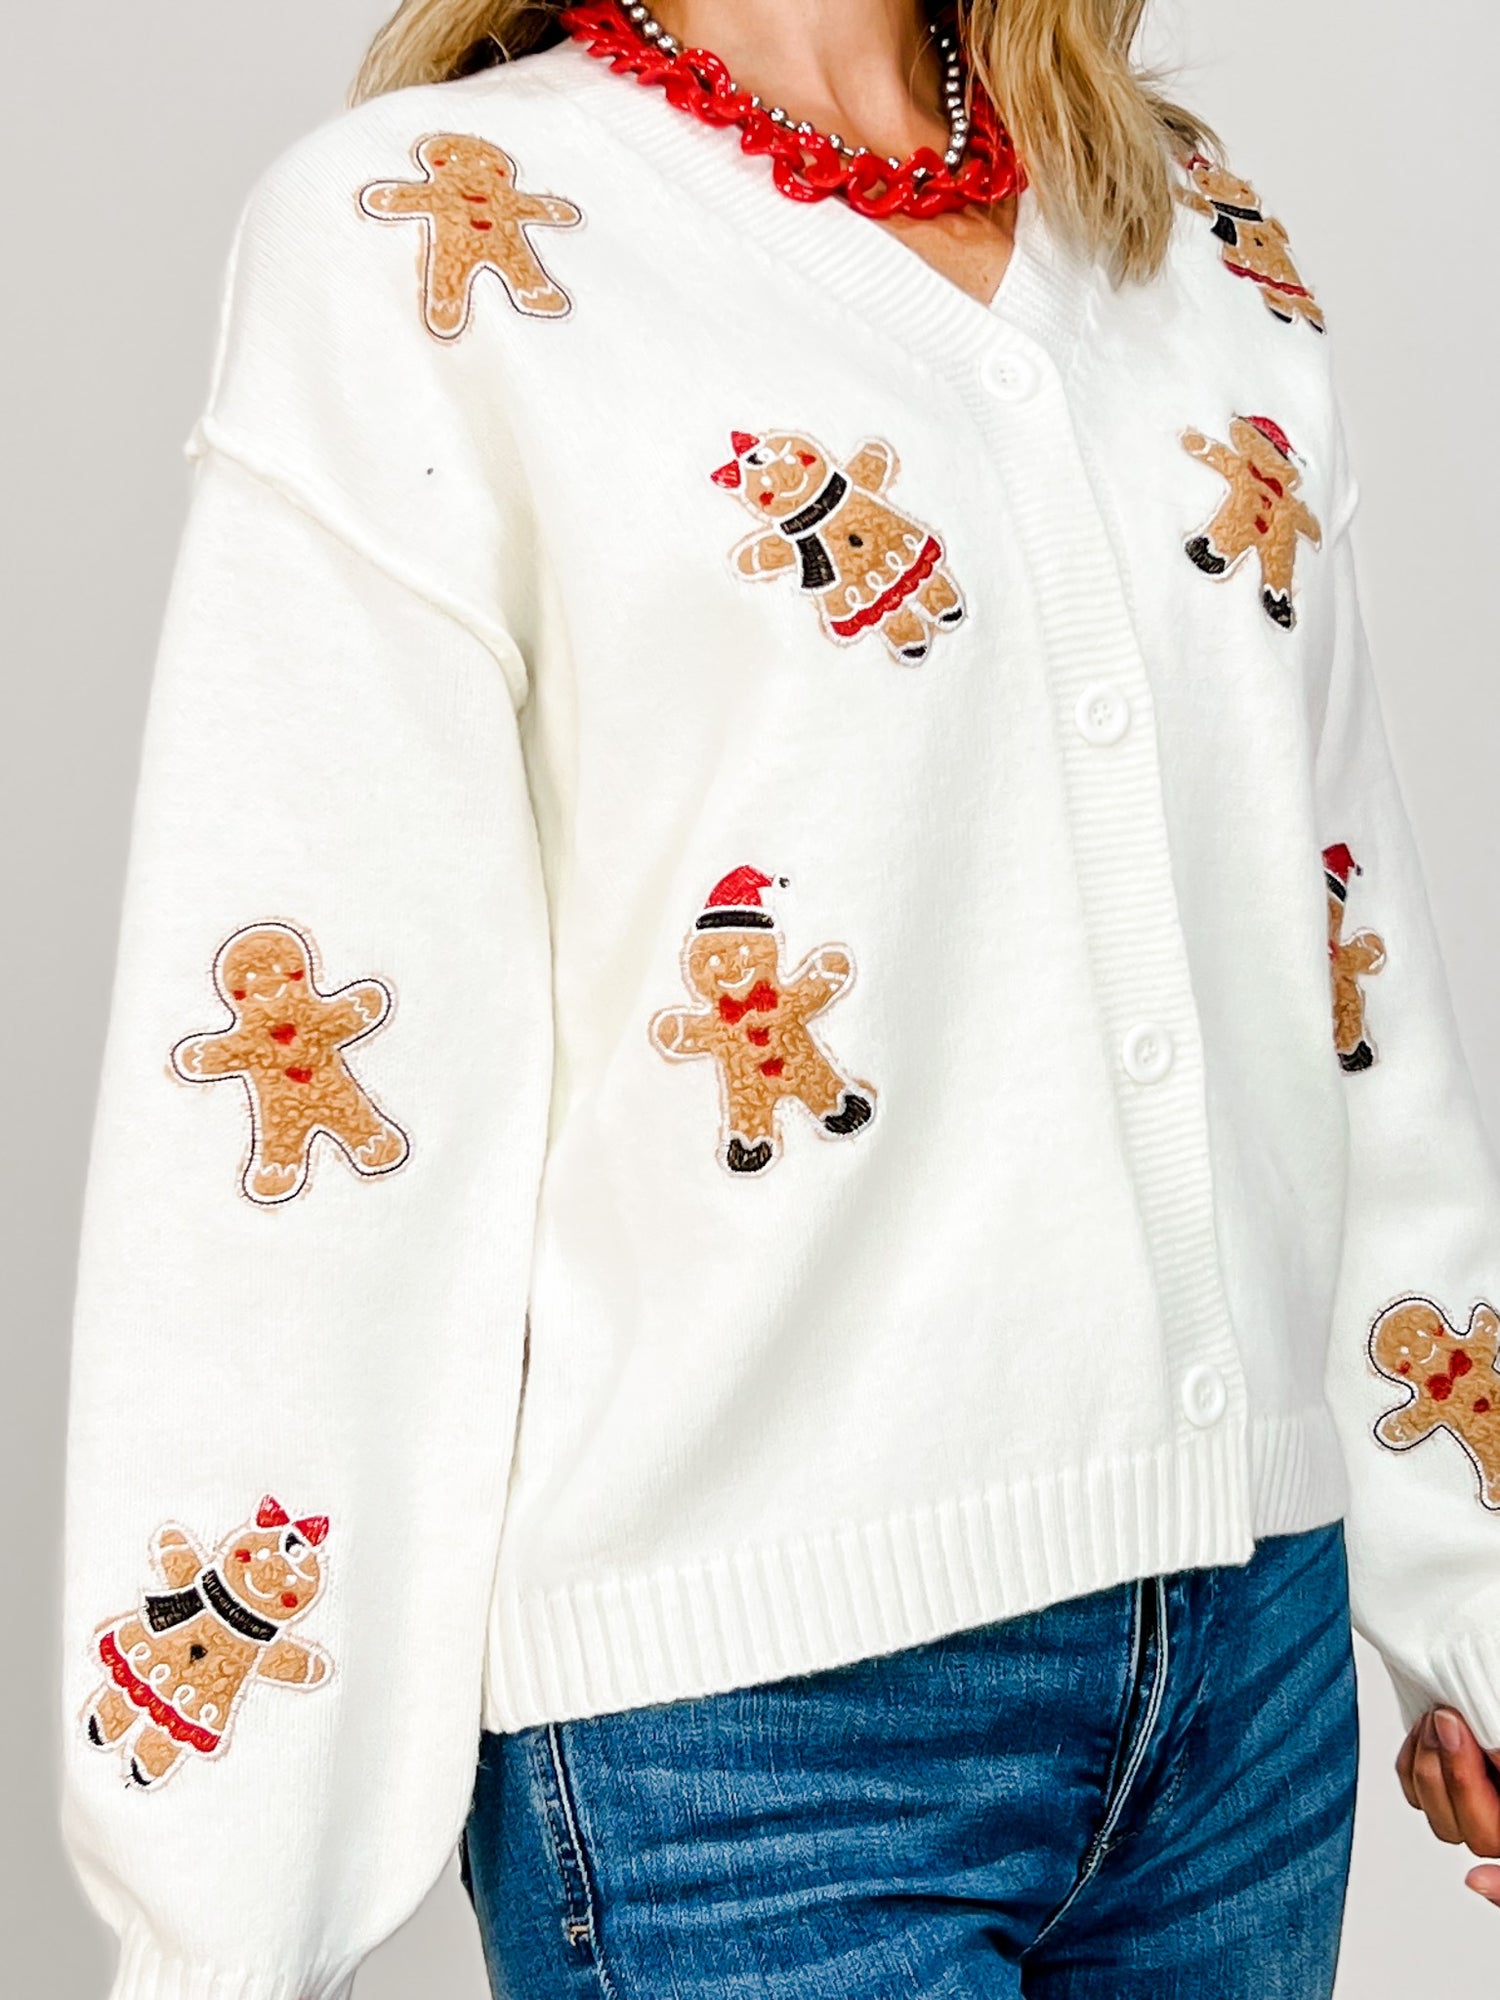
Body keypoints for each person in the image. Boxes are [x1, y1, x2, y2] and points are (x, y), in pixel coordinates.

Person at [61, 1, 1500, 1995]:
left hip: (1244, 1703)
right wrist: (223, 1922)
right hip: (748, 1754)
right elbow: (317, 1139)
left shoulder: (1179, 224)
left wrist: (1472, 1593)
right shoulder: (418, 247)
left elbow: (1340, 954)